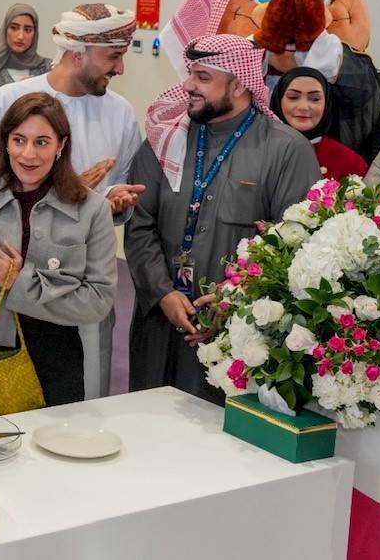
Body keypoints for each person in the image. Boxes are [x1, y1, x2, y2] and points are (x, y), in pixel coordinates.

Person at [126, 34, 320, 402]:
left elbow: (294, 247)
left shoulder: (286, 151)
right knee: (147, 416)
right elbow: (140, 225)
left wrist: (232, 298)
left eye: (202, 77)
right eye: (190, 74)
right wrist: (162, 292)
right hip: (160, 320)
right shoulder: (166, 138)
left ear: (239, 83)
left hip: (239, 334)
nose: (188, 85)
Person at [0, 3, 144, 397]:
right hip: (7, 297)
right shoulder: (8, 101)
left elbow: (119, 192)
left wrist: (110, 202)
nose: (120, 68)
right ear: (78, 53)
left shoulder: (121, 113)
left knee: (79, 405)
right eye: (113, 56)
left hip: (80, 296)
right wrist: (66, 191)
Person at [0, 92, 117, 405]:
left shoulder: (93, 210)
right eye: (19, 140)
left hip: (57, 363)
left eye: (42, 142)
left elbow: (98, 301)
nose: (28, 154)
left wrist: (17, 281)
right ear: (5, 142)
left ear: (61, 145)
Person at [271, 67, 367, 181]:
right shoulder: (259, 151)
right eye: (293, 97)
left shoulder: (350, 163)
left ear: (327, 104)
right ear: (278, 101)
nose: (303, 107)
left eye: (315, 99)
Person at [0, 3, 53, 114]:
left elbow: (56, 114)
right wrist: (16, 94)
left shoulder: (48, 68)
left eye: (27, 30)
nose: (20, 36)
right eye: (14, 28)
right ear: (5, 30)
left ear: (35, 34)